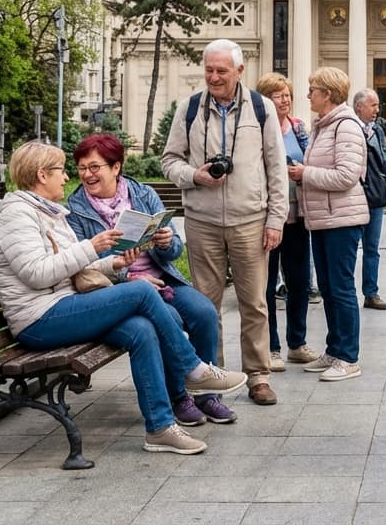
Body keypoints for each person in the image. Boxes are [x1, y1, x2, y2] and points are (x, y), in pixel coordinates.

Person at [0, 141, 246, 455]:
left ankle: (160, 428)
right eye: (62, 170)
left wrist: (113, 264)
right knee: (139, 291)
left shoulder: (48, 212)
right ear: (42, 175)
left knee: (141, 329)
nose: (68, 176)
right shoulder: (18, 214)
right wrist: (93, 247)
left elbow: (76, 268)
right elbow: (36, 273)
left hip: (64, 305)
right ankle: (193, 369)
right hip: (39, 319)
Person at [66, 133, 237, 425]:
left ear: (115, 167)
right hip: (119, 288)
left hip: (161, 278)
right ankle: (178, 398)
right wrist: (123, 271)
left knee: (204, 312)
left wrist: (166, 241)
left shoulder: (142, 194)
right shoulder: (77, 208)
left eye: (94, 167)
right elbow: (84, 265)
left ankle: (207, 396)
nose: (87, 175)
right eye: (82, 168)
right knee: (167, 317)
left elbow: (174, 251)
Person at [161, 38, 288, 407]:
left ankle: (258, 376)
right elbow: (169, 161)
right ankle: (212, 376)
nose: (214, 77)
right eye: (209, 70)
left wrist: (275, 219)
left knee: (255, 303)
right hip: (202, 222)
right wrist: (194, 176)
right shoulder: (189, 109)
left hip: (250, 220)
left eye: (221, 71)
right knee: (206, 306)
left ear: (239, 71)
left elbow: (275, 168)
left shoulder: (261, 108)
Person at [288, 67, 369, 382]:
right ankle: (335, 349)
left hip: (341, 219)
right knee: (329, 288)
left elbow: (347, 176)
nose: (308, 95)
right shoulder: (324, 125)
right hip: (323, 218)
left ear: (328, 94)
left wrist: (304, 173)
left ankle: (348, 357)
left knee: (342, 288)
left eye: (312, 90)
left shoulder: (345, 126)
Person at [255, 72, 319, 370]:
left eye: (288, 93)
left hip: (297, 218)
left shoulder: (297, 127)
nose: (286, 99)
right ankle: (271, 348)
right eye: (279, 94)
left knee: (299, 281)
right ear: (265, 99)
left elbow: (309, 159)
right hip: (267, 219)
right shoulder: (255, 129)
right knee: (266, 286)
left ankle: (297, 342)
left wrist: (303, 170)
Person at [353, 88, 386, 311]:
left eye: (377, 105)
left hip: (374, 197)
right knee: (349, 247)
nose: (377, 109)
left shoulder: (377, 131)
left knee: (372, 247)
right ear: (359, 106)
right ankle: (344, 292)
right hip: (354, 196)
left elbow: (384, 160)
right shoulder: (348, 127)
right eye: (373, 105)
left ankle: (371, 293)